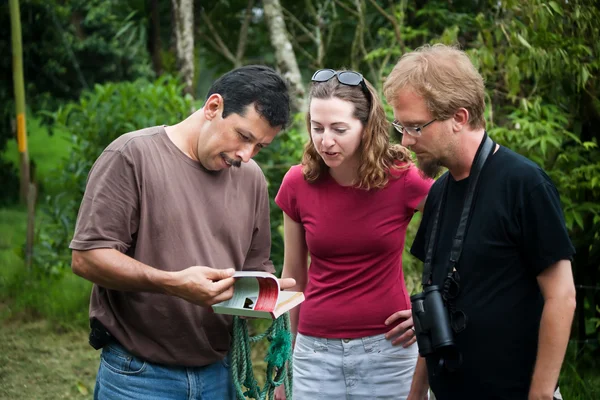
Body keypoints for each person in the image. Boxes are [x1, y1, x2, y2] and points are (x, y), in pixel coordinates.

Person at [69, 65, 295, 400]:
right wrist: (173, 284)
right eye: (244, 137)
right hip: (140, 376)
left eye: (259, 146)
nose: (246, 155)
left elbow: (256, 268)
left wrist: (267, 293)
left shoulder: (252, 179)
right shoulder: (132, 155)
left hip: (220, 373)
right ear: (213, 107)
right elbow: (87, 259)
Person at [383, 44, 576, 400]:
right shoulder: (439, 192)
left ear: (459, 118)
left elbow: (562, 296)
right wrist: (415, 393)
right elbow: (436, 302)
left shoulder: (524, 183)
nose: (406, 142)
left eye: (415, 128)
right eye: (401, 127)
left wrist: (541, 394)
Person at [274, 69, 433, 400]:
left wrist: (432, 309)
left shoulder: (403, 179)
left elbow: (460, 233)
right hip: (314, 354)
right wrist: (284, 360)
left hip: (389, 351)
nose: (325, 140)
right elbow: (293, 277)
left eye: (339, 129)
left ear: (366, 127)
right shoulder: (297, 183)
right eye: (317, 128)